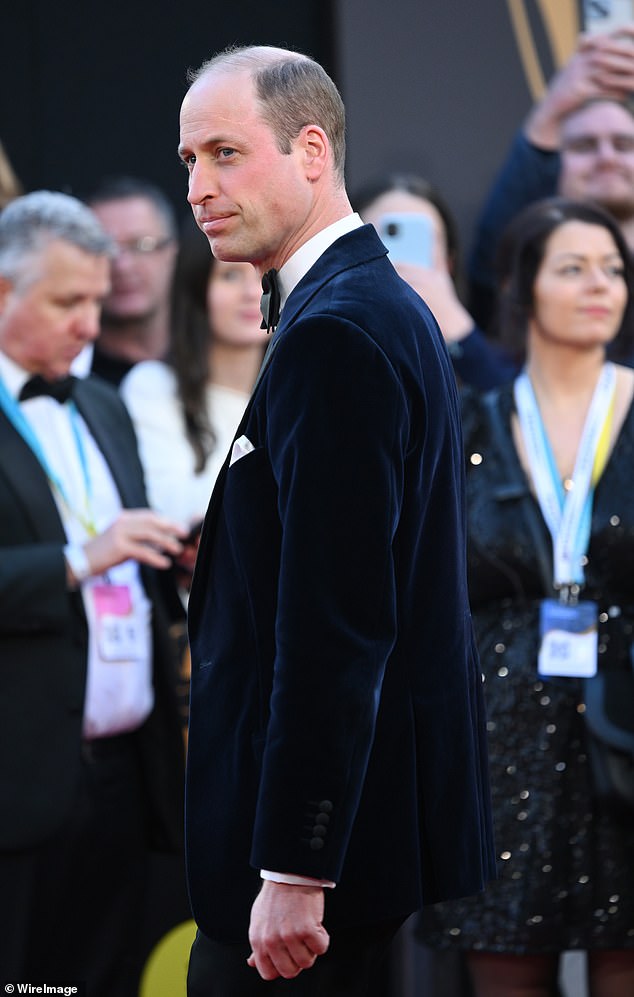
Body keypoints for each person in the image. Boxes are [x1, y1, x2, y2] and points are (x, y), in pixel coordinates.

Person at [179, 43, 495, 997]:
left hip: (306, 874)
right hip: (343, 844)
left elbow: (339, 627)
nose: (199, 186)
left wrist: (295, 867)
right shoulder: (363, 304)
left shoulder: (339, 331)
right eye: (189, 159)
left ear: (311, 149)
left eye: (226, 153)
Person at [418, 197, 634, 997]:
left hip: (627, 731)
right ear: (522, 286)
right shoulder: (469, 420)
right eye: (573, 267)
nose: (600, 285)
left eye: (613, 269)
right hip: (497, 741)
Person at [0, 190, 188, 994]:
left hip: (121, 776)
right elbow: (79, 556)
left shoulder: (107, 406)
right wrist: (79, 559)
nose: (89, 324)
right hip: (15, 784)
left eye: (96, 301)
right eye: (67, 301)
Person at [470, 26, 634, 331]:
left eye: (624, 144)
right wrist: (550, 113)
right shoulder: (524, 277)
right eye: (584, 145)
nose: (607, 158)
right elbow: (493, 269)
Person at [120, 215, 264, 532]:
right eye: (230, 276)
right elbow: (172, 510)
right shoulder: (153, 386)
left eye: (263, 275)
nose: (252, 292)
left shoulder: (296, 390)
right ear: (197, 286)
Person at [354, 173, 517, 389]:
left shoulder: (479, 355)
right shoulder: (321, 332)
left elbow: (517, 413)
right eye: (386, 235)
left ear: (449, 262)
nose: (404, 261)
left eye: (422, 239)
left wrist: (459, 334)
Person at [85, 175, 179, 385]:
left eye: (141, 245)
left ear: (172, 252)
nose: (122, 266)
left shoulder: (213, 358)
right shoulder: (70, 373)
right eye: (104, 248)